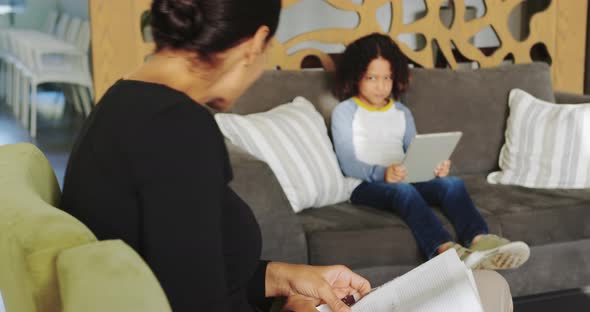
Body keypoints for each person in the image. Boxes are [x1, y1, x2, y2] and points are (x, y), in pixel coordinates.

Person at [60, 1, 513, 310]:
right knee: (486, 292)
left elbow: (180, 270)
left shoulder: (120, 106)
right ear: (255, 44)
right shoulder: (177, 130)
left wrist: (284, 278)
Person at [331, 33, 530, 270]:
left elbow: (413, 150)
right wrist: (382, 173)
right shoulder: (344, 111)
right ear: (356, 76)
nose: (381, 86)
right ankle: (446, 250)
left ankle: (480, 242)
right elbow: (347, 162)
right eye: (372, 77)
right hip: (363, 185)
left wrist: (434, 166)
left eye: (387, 78)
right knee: (403, 192)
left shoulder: (402, 112)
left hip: (403, 177)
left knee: (452, 184)